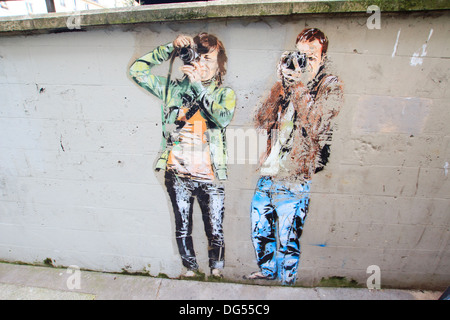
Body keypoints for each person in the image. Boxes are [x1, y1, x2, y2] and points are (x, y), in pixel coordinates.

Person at [129, 32, 236, 278]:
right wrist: (170, 49)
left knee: (215, 230)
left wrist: (198, 85)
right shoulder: (172, 91)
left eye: (209, 60)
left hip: (210, 176)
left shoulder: (224, 94)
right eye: (199, 58)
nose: (203, 65)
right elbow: (137, 71)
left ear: (219, 64)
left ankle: (217, 271)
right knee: (183, 227)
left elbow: (221, 118)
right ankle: (190, 269)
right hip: (177, 173)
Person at [247, 28, 343, 285]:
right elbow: (261, 121)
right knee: (260, 230)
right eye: (299, 55)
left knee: (288, 239)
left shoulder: (329, 86)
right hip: (269, 173)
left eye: (310, 58)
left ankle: (287, 283)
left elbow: (316, 125)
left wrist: (298, 86)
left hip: (295, 177)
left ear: (322, 59)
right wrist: (281, 85)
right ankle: (268, 273)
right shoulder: (287, 85)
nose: (303, 62)